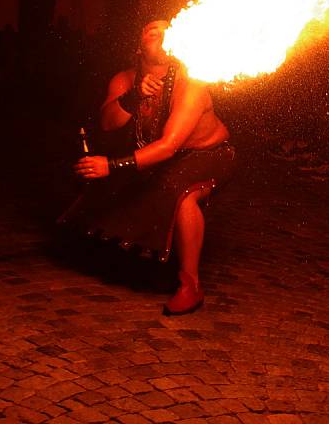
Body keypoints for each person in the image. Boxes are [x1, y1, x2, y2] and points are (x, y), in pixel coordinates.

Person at [59, 19, 237, 315]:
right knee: (117, 188)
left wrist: (112, 166)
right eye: (153, 33)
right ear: (139, 46)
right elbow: (107, 124)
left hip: (209, 155)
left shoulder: (190, 83)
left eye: (169, 31)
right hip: (161, 155)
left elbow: (168, 146)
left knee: (179, 191)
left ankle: (190, 284)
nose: (163, 37)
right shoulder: (124, 80)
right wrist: (134, 97)